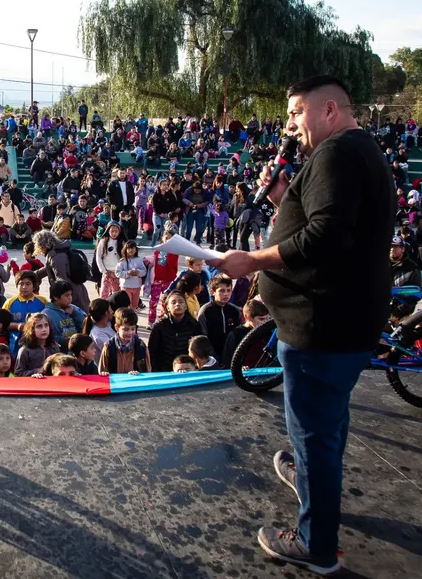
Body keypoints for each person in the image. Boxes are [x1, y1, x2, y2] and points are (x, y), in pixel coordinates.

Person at [211, 75, 396, 575]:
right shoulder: (358, 150)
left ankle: (316, 544)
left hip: (323, 326)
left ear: (329, 109)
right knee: (327, 423)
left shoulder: (337, 153)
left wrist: (252, 262)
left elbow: (323, 240)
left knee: (314, 431)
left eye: (296, 113)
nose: (290, 124)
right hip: (345, 321)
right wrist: (282, 196)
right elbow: (329, 223)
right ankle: (315, 479)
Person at [33, 229, 90, 310]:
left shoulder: (55, 256)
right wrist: (32, 274)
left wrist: (62, 299)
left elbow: (62, 280)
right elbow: (49, 268)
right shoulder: (59, 251)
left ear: (42, 244)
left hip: (71, 295)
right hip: (77, 290)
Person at [147, 291, 201, 372]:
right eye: (173, 302)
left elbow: (198, 350)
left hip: (186, 369)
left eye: (181, 302)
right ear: (167, 307)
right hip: (163, 370)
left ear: (186, 306)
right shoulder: (159, 326)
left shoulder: (193, 325)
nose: (177, 304)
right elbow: (152, 351)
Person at [197, 274, 242, 359]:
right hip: (212, 357)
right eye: (222, 291)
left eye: (229, 290)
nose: (226, 294)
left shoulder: (235, 311)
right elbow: (203, 337)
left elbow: (239, 335)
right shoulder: (205, 310)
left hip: (232, 356)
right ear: (212, 292)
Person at [97, 308, 149, 375]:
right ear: (117, 328)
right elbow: (102, 371)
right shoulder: (109, 347)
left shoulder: (141, 346)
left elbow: (148, 372)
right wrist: (104, 373)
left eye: (133, 329)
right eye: (126, 329)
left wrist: (139, 374)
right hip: (116, 384)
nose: (130, 333)